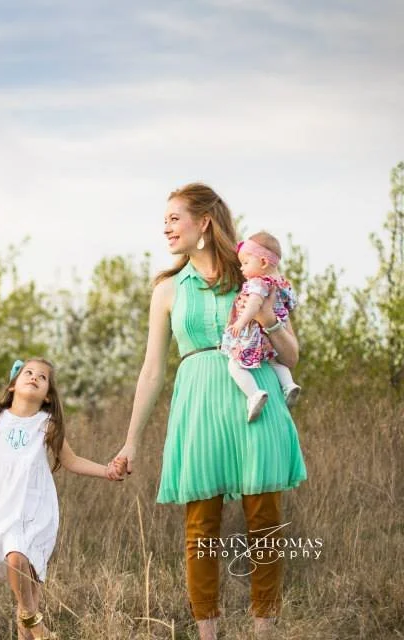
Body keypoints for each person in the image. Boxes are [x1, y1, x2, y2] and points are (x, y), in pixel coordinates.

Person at [112, 184, 307, 640]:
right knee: (201, 524)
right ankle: (208, 634)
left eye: (175, 218)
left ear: (204, 222)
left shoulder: (253, 276)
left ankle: (263, 629)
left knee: (265, 518)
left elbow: (292, 356)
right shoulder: (166, 289)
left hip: (254, 398)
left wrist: (267, 320)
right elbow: (152, 370)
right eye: (165, 220)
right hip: (198, 402)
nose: (166, 227)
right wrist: (131, 440)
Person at [0, 358, 122, 640]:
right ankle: (31, 618)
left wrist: (107, 471)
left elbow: (71, 461)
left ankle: (28, 617)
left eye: (42, 377)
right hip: (0, 504)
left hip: (33, 506)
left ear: (48, 394)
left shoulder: (46, 424)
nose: (34, 377)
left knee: (25, 571)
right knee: (17, 563)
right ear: (13, 385)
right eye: (28, 372)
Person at [220, 231, 301, 421]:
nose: (242, 268)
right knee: (274, 361)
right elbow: (290, 306)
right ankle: (288, 385)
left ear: (263, 263)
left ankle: (254, 394)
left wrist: (241, 322)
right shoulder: (281, 284)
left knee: (235, 364)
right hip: (273, 334)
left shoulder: (258, 282)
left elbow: (254, 305)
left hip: (256, 334)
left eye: (246, 263)